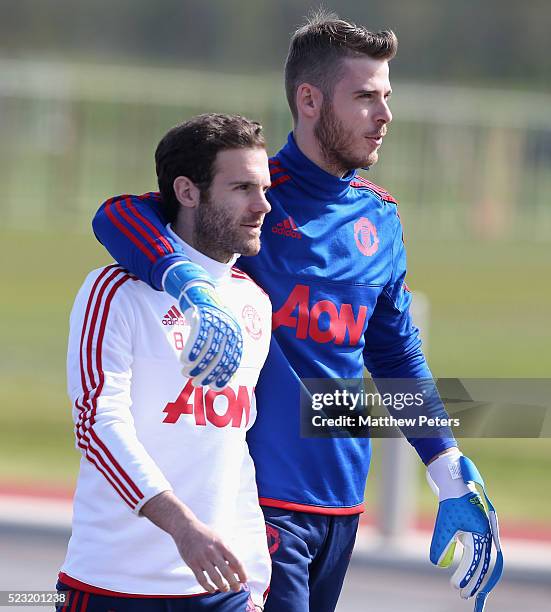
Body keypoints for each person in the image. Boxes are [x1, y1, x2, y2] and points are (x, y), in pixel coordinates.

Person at [91, 11, 502, 612]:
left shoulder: (381, 216)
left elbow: (395, 354)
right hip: (261, 503)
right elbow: (118, 215)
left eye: (386, 96)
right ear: (309, 100)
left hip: (341, 504)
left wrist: (446, 466)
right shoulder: (251, 194)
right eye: (364, 97)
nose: (384, 116)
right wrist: (188, 283)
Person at [58, 113, 273, 611]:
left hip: (222, 592)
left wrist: (255, 583)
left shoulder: (254, 302)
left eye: (263, 188)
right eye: (242, 187)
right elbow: (97, 425)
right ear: (188, 191)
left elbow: (235, 451)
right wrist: (183, 527)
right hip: (113, 584)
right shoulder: (113, 292)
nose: (263, 205)